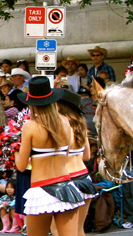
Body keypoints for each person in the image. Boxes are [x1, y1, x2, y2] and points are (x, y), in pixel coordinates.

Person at [15, 76, 84, 236]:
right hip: (66, 186)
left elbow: (21, 166)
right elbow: (65, 156)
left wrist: (15, 150)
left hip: (41, 190)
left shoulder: (30, 126)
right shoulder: (66, 122)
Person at [58, 90, 97, 236]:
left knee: (59, 230)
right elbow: (87, 156)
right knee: (79, 229)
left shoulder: (60, 127)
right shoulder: (81, 125)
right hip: (84, 178)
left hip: (67, 180)